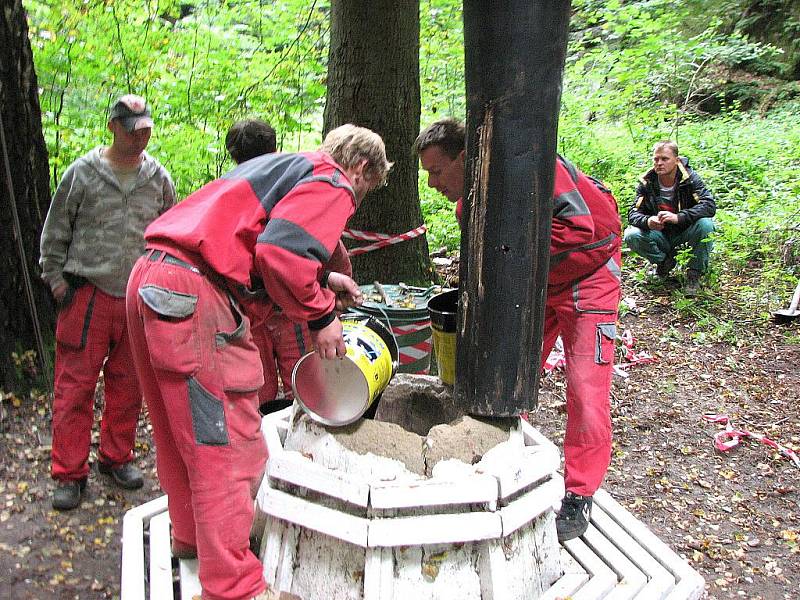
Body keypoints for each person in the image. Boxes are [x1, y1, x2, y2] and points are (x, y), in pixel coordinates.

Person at [126, 124, 391, 600]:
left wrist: (324, 279)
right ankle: (234, 587)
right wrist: (322, 316)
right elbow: (281, 253)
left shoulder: (282, 168)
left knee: (178, 430)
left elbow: (257, 243)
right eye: (367, 189)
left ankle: (192, 538)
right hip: (194, 294)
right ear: (362, 168)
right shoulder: (333, 179)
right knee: (223, 443)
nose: (359, 199)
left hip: (153, 275)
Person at [415, 118, 622, 543]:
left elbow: (583, 230)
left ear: (464, 158)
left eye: (436, 171)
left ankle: (579, 492)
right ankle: (500, 454)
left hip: (591, 277)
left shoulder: (535, 167)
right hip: (539, 284)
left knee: (585, 387)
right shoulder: (464, 206)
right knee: (512, 365)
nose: (432, 183)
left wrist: (511, 251)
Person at [39, 94, 176, 511]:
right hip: (86, 294)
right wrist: (57, 281)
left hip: (137, 297)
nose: (142, 138)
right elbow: (55, 229)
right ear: (114, 127)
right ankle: (68, 472)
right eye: (134, 130)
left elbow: (170, 232)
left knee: (129, 384)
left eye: (147, 130)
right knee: (74, 388)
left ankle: (116, 457)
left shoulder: (157, 177)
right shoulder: (83, 172)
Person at [224, 118, 354, 412]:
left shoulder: (235, 189)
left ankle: (273, 441)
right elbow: (328, 246)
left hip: (261, 309)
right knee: (298, 382)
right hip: (279, 309)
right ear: (275, 147)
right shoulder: (293, 183)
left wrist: (328, 288)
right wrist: (329, 299)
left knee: (272, 385)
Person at [624, 140, 716, 296]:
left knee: (705, 225)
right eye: (656, 159)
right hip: (661, 235)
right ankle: (664, 263)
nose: (659, 163)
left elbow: (709, 206)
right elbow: (633, 213)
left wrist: (679, 217)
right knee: (631, 235)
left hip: (685, 233)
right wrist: (648, 221)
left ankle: (694, 275)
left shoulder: (690, 179)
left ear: (677, 160)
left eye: (665, 159)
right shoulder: (647, 182)